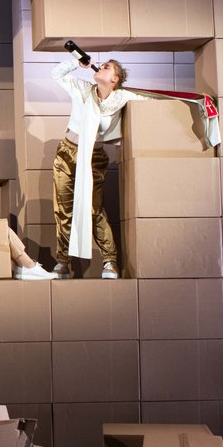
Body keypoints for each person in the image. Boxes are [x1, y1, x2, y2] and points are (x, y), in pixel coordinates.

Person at [51, 57, 148, 280]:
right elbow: (57, 74)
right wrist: (76, 62)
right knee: (63, 210)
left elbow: (151, 99)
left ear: (115, 79)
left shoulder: (122, 98)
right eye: (101, 65)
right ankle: (63, 262)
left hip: (93, 157)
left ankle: (110, 262)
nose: (100, 66)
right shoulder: (83, 88)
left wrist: (194, 100)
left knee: (94, 210)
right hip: (67, 153)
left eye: (107, 67)